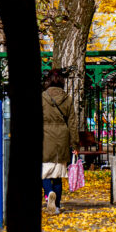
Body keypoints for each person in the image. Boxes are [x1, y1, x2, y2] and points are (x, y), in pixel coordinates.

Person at [41, 68, 78, 215]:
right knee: (58, 174)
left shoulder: (42, 97)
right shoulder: (68, 99)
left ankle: (48, 192)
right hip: (62, 137)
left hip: (45, 137)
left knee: (44, 172)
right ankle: (56, 206)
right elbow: (73, 123)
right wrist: (74, 144)